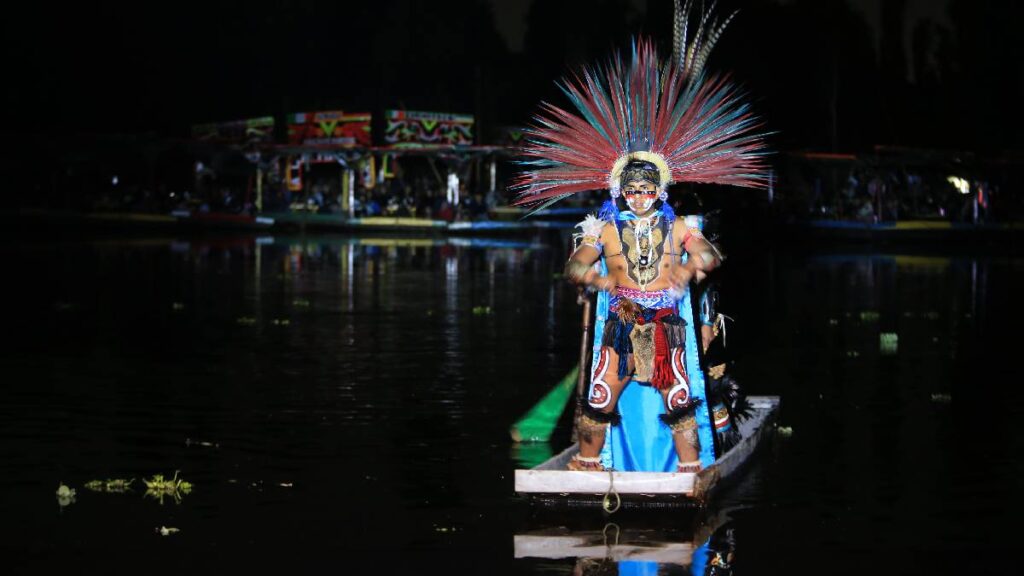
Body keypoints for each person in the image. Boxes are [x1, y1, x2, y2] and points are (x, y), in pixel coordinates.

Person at [512, 3, 768, 473]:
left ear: (661, 190)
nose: (639, 197)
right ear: (620, 191)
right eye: (631, 190)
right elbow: (575, 265)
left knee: (679, 396)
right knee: (600, 393)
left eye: (647, 190)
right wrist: (593, 278)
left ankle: (692, 471)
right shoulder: (604, 226)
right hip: (622, 319)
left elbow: (711, 255)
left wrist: (691, 266)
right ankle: (588, 464)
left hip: (668, 318)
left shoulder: (681, 225)